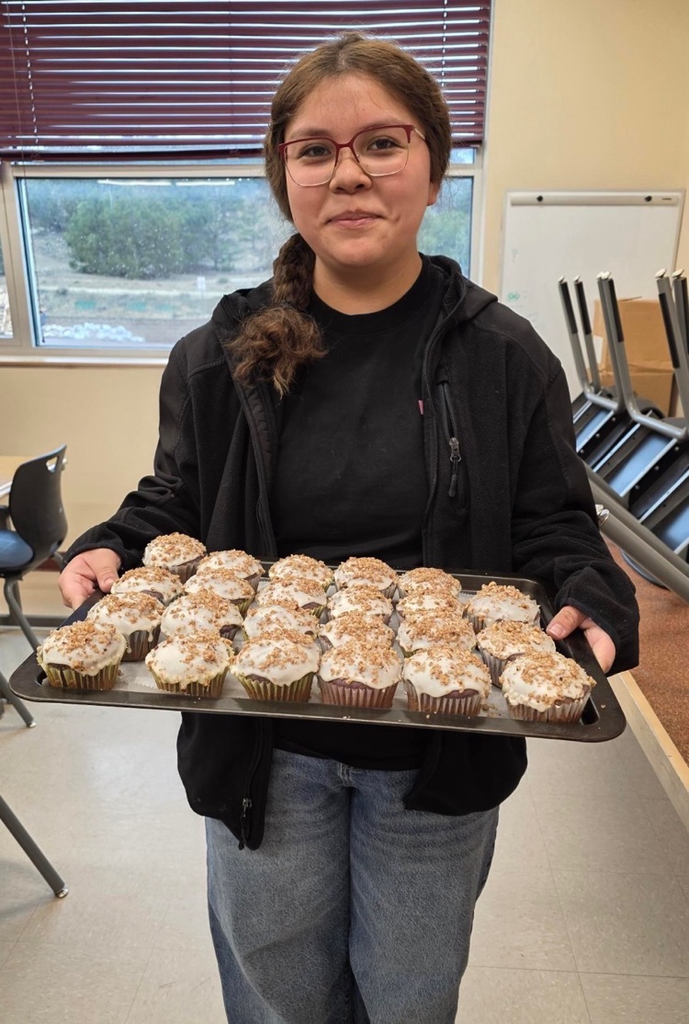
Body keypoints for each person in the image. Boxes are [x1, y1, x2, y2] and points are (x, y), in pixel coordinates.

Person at [59, 32, 639, 1024]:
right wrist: (109, 542)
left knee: (408, 998)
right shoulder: (222, 350)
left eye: (382, 142)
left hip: (435, 752)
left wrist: (590, 593)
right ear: (285, 174)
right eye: (315, 149)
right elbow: (178, 501)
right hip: (261, 745)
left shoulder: (501, 354)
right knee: (278, 997)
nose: (349, 174)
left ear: (431, 163)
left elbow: (553, 520)